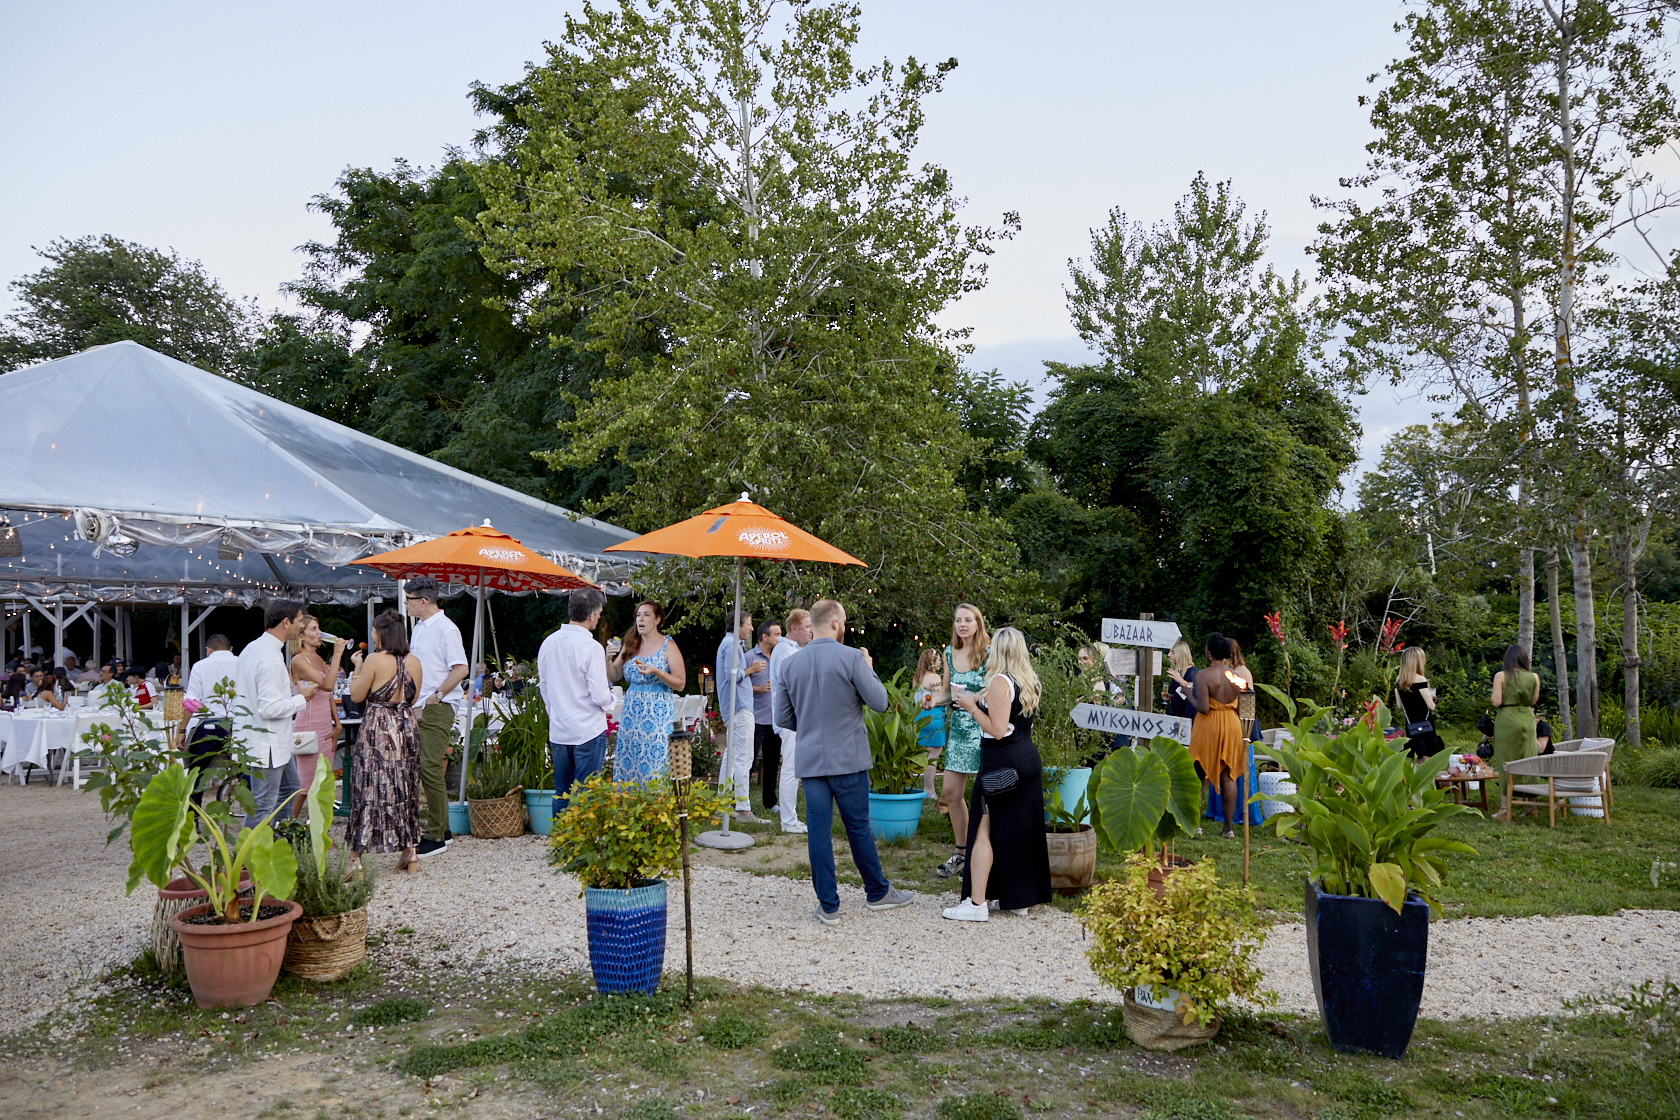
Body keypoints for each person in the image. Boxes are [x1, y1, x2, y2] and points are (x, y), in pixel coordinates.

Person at [773, 598, 914, 924]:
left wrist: (810, 725)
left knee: (818, 833)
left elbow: (782, 717)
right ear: (835, 623)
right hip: (848, 758)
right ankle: (877, 892)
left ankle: (829, 905)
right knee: (858, 828)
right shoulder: (852, 658)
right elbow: (880, 702)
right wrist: (868, 666)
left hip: (811, 760)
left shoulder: (789, 664)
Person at [943, 627, 1054, 921]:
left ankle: (976, 902)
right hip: (1026, 758)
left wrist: (971, 707)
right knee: (1017, 829)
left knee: (983, 827)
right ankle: (1017, 897)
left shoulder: (1000, 682)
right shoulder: (1029, 680)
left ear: (1000, 651)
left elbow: (997, 729)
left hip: (1001, 763)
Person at [347, 609, 424, 873]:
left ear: (381, 633)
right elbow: (413, 698)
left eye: (373, 630)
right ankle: (410, 851)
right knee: (404, 787)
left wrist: (357, 668)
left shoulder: (374, 660)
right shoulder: (414, 661)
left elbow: (356, 696)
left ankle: (355, 858)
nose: (372, 635)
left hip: (379, 727)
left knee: (369, 786)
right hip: (406, 726)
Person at [405, 576, 469, 859]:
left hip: (438, 704)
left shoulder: (446, 629)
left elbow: (461, 668)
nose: (405, 604)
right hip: (421, 704)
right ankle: (442, 829)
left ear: (423, 601)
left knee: (429, 764)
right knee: (425, 765)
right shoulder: (419, 628)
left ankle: (436, 835)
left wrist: (439, 694)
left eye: (408, 599)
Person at [236, 600, 315, 829]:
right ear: (286, 622)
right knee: (263, 803)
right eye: (299, 621)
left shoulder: (254, 648)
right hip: (267, 741)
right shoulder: (269, 658)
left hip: (269, 739)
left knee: (290, 790)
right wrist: (301, 699)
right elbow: (269, 708)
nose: (301, 626)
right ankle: (252, 849)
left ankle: (279, 839)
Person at [537, 587, 615, 811]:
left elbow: (544, 687)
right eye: (599, 614)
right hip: (587, 729)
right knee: (587, 794)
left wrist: (555, 713)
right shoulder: (592, 647)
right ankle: (583, 835)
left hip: (560, 729)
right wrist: (611, 702)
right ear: (591, 615)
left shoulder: (549, 643)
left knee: (562, 793)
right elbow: (599, 694)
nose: (598, 618)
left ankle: (560, 833)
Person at [935, 604, 990, 880]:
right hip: (958, 730)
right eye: (958, 620)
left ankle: (985, 856)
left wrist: (974, 699)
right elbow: (947, 691)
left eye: (968, 620)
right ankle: (962, 852)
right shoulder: (949, 652)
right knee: (950, 791)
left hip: (984, 728)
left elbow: (998, 690)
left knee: (986, 795)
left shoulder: (989, 653)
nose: (962, 625)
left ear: (978, 624)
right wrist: (932, 700)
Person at [607, 601, 685, 783]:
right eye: (638, 615)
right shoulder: (631, 644)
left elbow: (680, 683)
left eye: (646, 615)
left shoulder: (668, 645)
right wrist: (608, 659)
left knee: (655, 763)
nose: (640, 619)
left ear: (657, 620)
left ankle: (658, 799)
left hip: (658, 714)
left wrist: (657, 671)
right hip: (631, 713)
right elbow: (614, 675)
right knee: (630, 762)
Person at [1188, 633, 1244, 840]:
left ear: (1209, 652)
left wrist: (1188, 694)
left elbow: (1203, 707)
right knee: (1228, 775)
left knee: (1197, 771)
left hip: (1209, 724)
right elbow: (1243, 706)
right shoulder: (1236, 676)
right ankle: (1228, 828)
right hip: (1231, 723)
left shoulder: (1202, 675)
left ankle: (1196, 824)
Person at [288, 615, 347, 814]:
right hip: (308, 726)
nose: (319, 633)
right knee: (305, 786)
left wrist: (337, 723)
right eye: (313, 629)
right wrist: (337, 654)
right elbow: (328, 684)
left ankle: (320, 829)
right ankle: (287, 826)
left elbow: (327, 694)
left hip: (324, 726)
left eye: (319, 628)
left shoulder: (318, 659)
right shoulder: (299, 661)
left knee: (323, 783)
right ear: (302, 636)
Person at [715, 610, 762, 820]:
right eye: (748, 624)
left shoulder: (729, 644)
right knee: (744, 756)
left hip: (733, 707)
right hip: (740, 706)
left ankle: (722, 804)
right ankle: (743, 808)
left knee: (732, 756)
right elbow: (731, 675)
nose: (751, 628)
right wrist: (751, 669)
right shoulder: (732, 645)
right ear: (737, 625)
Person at [768, 608, 812, 833]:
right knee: (791, 768)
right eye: (807, 627)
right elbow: (794, 685)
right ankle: (788, 820)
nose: (811, 631)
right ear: (794, 628)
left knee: (794, 768)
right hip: (790, 718)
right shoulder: (785, 651)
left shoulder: (791, 649)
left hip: (794, 717)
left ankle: (790, 817)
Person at [184, 634, 240, 792]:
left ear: (208, 650)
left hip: (209, 725)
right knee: (243, 770)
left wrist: (182, 730)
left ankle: (193, 807)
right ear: (231, 649)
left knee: (196, 773)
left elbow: (191, 702)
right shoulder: (242, 663)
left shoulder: (200, 666)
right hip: (237, 725)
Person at [1491, 643, 1541, 779]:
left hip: (1507, 719)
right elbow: (1533, 700)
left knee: (1506, 757)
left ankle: (1507, 791)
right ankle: (1529, 789)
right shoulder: (1534, 677)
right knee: (1528, 756)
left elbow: (1496, 702)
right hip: (1527, 718)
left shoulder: (1501, 676)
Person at [747, 621, 782, 810]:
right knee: (749, 761)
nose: (780, 638)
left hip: (775, 718)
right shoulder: (749, 657)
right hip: (755, 717)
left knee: (772, 762)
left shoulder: (779, 656)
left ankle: (770, 802)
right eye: (777, 634)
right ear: (764, 636)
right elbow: (737, 685)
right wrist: (758, 689)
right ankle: (739, 801)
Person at [1393, 646, 1444, 760]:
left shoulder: (1399, 680)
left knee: (1417, 755)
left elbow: (1400, 706)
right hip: (1425, 723)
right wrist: (1432, 699)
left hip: (1411, 723)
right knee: (1428, 756)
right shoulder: (1420, 679)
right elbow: (1431, 706)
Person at [913, 648, 947, 799]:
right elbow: (937, 698)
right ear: (931, 661)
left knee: (925, 754)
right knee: (934, 755)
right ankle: (929, 789)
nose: (940, 662)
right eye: (938, 659)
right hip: (934, 717)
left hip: (919, 717)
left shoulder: (917, 678)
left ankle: (925, 788)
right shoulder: (935, 677)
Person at [1164, 640, 1198, 720]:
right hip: (1175, 716)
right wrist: (1171, 697)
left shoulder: (1192, 672)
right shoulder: (1178, 671)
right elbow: (1182, 696)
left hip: (1186, 718)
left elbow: (1194, 695)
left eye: (1173, 652)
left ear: (1181, 654)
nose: (1169, 655)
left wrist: (1181, 681)